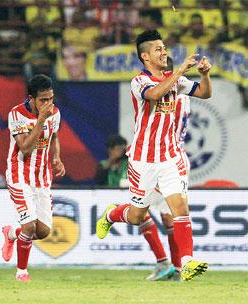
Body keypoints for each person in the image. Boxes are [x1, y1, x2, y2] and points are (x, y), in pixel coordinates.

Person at [96, 30, 212, 282]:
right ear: (145, 56)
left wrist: (204, 74)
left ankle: (187, 262)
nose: (164, 52)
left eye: (164, 47)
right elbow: (155, 94)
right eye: (158, 49)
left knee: (179, 207)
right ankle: (111, 215)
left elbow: (204, 93)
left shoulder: (176, 80)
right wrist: (181, 70)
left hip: (170, 157)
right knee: (137, 216)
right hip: (142, 160)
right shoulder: (139, 81)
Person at [1, 74, 65, 282]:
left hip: (41, 177)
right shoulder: (16, 114)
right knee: (29, 227)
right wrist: (40, 120)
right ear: (31, 98)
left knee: (43, 231)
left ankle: (12, 234)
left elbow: (54, 136)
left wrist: (57, 157)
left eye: (50, 99)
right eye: (43, 100)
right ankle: (22, 272)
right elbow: (25, 147)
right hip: (19, 173)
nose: (48, 104)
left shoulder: (55, 113)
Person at [143, 57, 192, 281]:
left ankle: (170, 265)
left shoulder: (173, 97)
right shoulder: (178, 94)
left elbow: (161, 131)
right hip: (167, 157)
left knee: (142, 209)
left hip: (166, 159)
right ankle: (174, 267)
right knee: (166, 217)